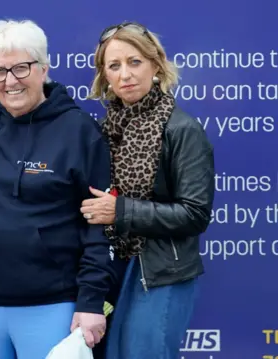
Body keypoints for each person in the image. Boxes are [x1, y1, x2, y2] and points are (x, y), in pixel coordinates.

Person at [0, 19, 117, 359]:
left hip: (53, 304)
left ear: (44, 68)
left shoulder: (79, 131)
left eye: (21, 68)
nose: (10, 81)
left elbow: (100, 223)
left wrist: (92, 301)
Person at [82, 21, 215, 358]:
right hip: (111, 269)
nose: (125, 74)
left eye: (135, 61)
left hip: (161, 272)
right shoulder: (103, 130)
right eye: (114, 65)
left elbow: (195, 213)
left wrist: (120, 211)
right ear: (105, 76)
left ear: (156, 65)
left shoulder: (181, 129)